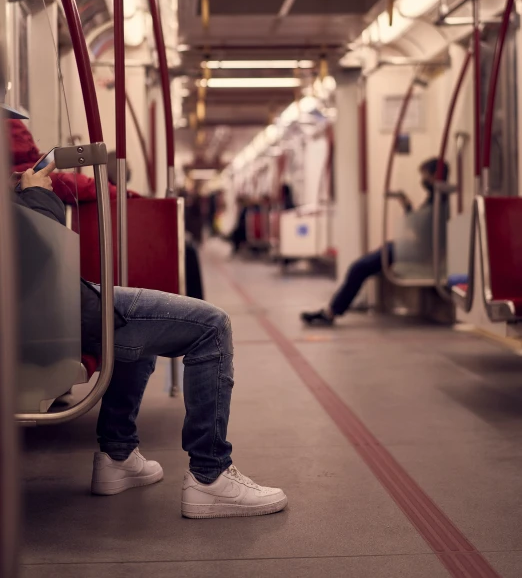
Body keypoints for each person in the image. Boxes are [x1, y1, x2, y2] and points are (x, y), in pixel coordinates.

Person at [7, 109, 287, 518]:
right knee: (212, 325)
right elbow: (35, 259)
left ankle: (118, 456)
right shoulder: (24, 191)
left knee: (142, 325)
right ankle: (210, 477)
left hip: (50, 304)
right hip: (56, 307)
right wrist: (36, 194)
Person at [301, 157, 449, 326]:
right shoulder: (434, 199)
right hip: (412, 248)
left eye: (425, 176)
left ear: (435, 175)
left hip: (416, 252)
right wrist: (407, 207)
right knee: (367, 262)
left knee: (359, 267)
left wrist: (408, 210)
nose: (423, 180)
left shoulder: (439, 201)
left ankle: (332, 311)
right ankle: (333, 310)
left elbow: (421, 228)